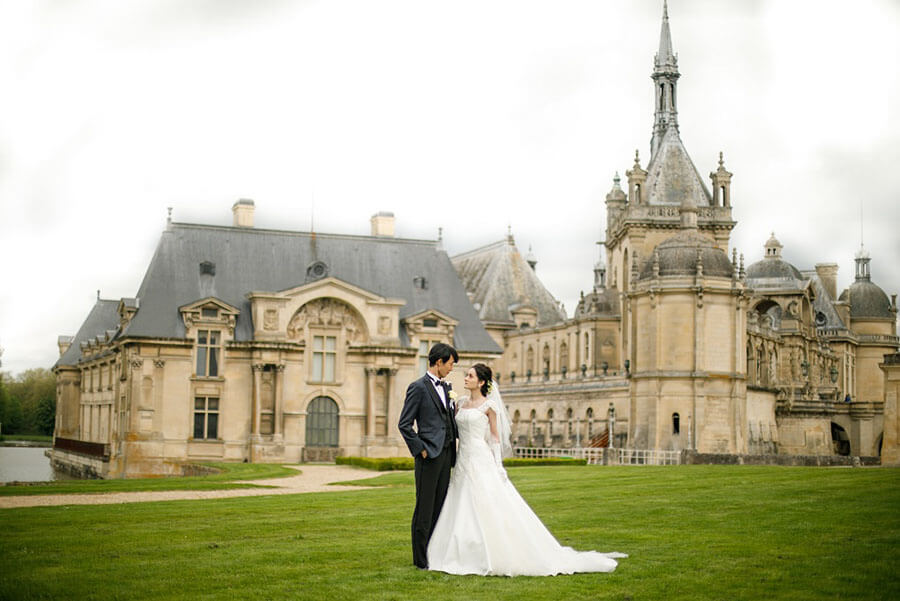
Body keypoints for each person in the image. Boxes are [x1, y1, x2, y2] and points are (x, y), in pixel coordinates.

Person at [426, 363, 626, 576]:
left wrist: (498, 465)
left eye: (470, 376)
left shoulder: (489, 407)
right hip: (463, 458)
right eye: (467, 375)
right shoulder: (461, 403)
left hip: (480, 457)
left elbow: (494, 438)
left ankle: (490, 552)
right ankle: (458, 552)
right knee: (460, 502)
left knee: (484, 502)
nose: (465, 378)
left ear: (482, 382)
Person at [397, 342, 459, 569]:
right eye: (451, 364)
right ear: (439, 362)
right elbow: (404, 424)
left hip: (446, 455)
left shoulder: (447, 387)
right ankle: (420, 561)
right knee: (424, 509)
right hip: (428, 456)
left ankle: (434, 555)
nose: (452, 368)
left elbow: (448, 420)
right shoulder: (418, 387)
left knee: (439, 508)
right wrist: (420, 449)